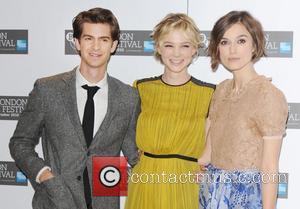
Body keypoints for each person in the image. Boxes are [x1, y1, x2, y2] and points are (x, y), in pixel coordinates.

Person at [9, 7, 140, 209]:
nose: (96, 47)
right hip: (56, 201)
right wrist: (45, 175)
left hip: (104, 202)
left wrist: (182, 165)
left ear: (113, 45)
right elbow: (20, 142)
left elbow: (134, 154)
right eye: (89, 38)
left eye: (104, 40)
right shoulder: (47, 89)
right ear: (77, 42)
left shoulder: (128, 96)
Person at [198, 11, 288, 209]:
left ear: (254, 45)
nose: (232, 50)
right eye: (224, 42)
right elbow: (207, 154)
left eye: (240, 41)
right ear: (217, 48)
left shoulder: (269, 95)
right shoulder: (220, 90)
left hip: (246, 198)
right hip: (211, 193)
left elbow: (269, 167)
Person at [125, 13, 215, 209]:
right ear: (158, 47)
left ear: (194, 49)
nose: (176, 54)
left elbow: (216, 144)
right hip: (146, 181)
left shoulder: (210, 93)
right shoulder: (140, 88)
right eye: (169, 45)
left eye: (185, 45)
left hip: (187, 182)